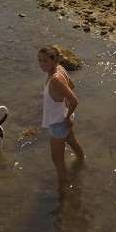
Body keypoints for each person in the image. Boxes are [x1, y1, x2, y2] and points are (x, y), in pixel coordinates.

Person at [37, 45, 85, 187]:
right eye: (39, 60)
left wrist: (66, 117)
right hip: (64, 118)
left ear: (54, 60)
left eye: (45, 61)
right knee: (73, 143)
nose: (41, 64)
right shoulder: (60, 69)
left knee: (57, 160)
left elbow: (74, 100)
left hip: (58, 123)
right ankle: (82, 164)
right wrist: (68, 115)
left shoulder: (55, 79)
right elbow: (72, 85)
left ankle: (63, 190)